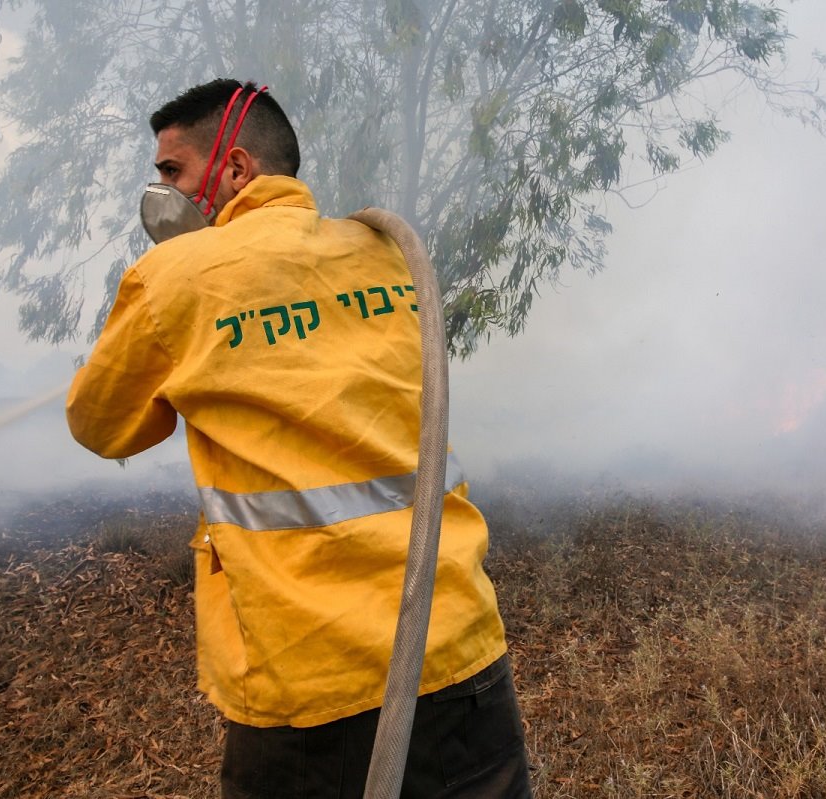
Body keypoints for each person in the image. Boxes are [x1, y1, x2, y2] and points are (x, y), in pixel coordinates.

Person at [66, 78, 531, 798]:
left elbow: (101, 425)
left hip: (311, 687)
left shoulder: (175, 278)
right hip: (459, 653)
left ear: (235, 167)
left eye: (171, 170)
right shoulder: (381, 253)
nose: (160, 191)